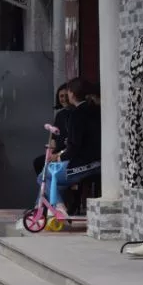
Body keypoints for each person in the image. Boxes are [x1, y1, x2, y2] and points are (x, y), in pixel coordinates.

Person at [40, 77, 101, 216]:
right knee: (52, 178)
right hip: (93, 160)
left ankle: (59, 208)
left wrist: (59, 157)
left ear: (72, 93)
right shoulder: (94, 110)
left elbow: (74, 146)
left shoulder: (77, 114)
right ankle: (50, 210)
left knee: (43, 176)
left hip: (87, 163)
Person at [33, 84, 74, 175]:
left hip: (67, 153)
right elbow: (54, 139)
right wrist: (50, 152)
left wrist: (58, 155)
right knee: (38, 162)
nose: (64, 99)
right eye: (61, 96)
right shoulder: (60, 115)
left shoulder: (75, 113)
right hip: (57, 152)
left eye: (67, 95)